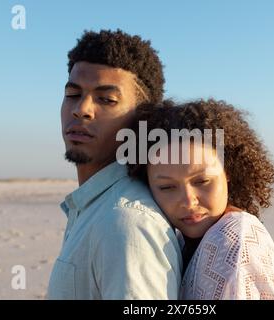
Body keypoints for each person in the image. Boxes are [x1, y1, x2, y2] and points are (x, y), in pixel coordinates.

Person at [47, 29, 182, 299]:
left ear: (141, 119)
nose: (81, 109)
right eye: (73, 94)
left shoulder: (125, 224)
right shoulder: (94, 206)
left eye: (106, 99)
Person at [127, 99, 274, 299]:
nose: (188, 201)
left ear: (228, 171)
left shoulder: (235, 238)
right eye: (167, 187)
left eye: (202, 181)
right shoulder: (181, 239)